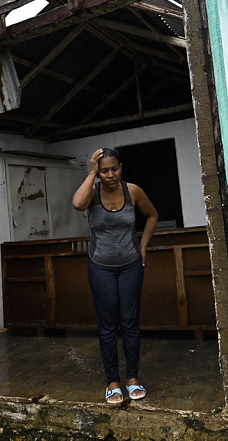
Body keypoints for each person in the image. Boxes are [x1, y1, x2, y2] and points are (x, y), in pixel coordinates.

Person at [72, 147, 158, 403]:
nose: (110, 175)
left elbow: (152, 215)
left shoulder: (133, 191)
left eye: (114, 169)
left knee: (130, 322)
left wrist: (143, 246)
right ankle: (113, 382)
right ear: (98, 172)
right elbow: (77, 204)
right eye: (104, 170)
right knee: (108, 325)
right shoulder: (92, 193)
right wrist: (90, 173)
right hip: (100, 267)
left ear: (121, 167)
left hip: (131, 264)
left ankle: (133, 378)